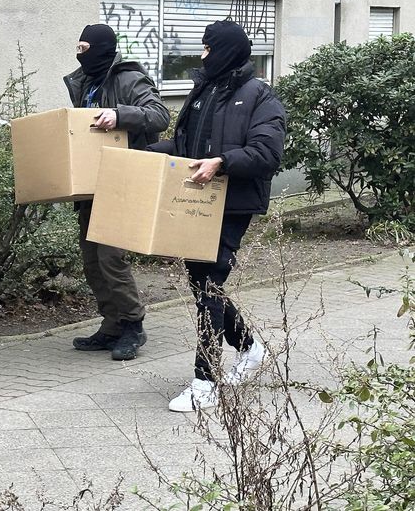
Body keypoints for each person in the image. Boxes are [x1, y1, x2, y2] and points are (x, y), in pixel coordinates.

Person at [146, 21, 285, 412]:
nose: (202, 55)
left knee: (208, 284)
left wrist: (222, 162)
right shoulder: (203, 90)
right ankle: (249, 347)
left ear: (226, 51)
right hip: (198, 199)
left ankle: (204, 381)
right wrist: (145, 152)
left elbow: (266, 153)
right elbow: (188, 144)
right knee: (202, 283)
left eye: (208, 48)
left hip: (233, 201)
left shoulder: (259, 95)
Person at [64, 24, 170, 361]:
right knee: (92, 260)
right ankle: (111, 324)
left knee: (111, 257)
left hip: (124, 179)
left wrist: (119, 114)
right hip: (91, 183)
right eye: (78, 48)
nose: (80, 55)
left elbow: (159, 115)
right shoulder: (84, 82)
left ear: (102, 48)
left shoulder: (128, 78)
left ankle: (133, 325)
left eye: (85, 48)